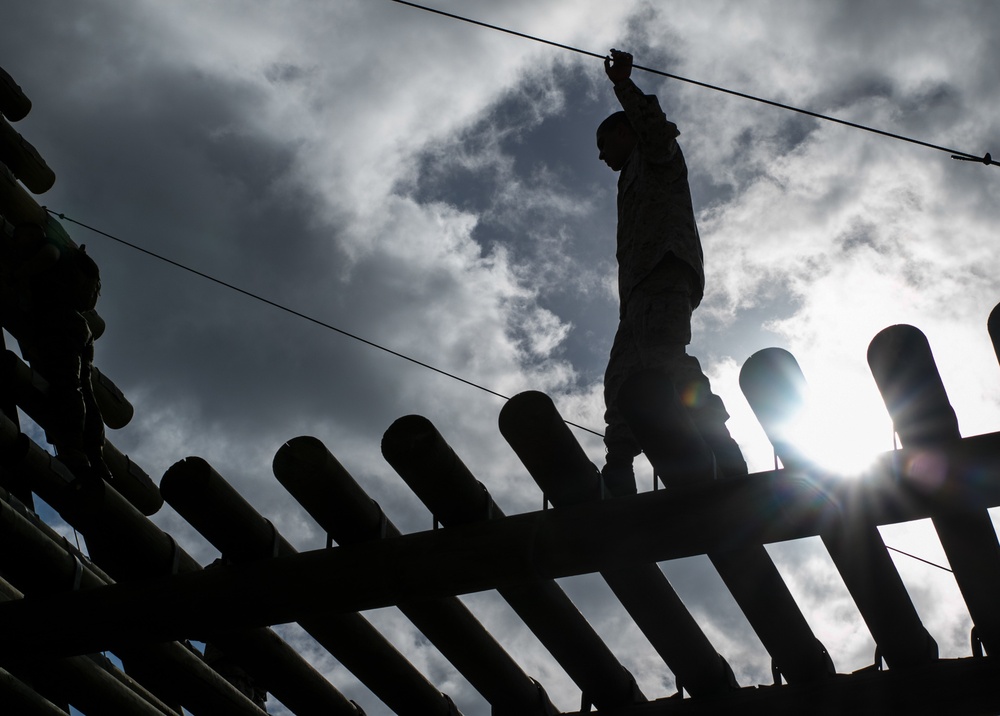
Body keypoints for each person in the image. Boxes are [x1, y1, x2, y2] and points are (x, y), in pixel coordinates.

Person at [597, 49, 746, 496]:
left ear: (624, 132)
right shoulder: (628, 178)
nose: (602, 158)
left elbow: (654, 127)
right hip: (639, 288)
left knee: (664, 356)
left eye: (604, 146)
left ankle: (720, 445)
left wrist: (623, 84)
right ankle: (618, 466)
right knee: (622, 376)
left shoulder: (655, 152)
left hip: (664, 268)